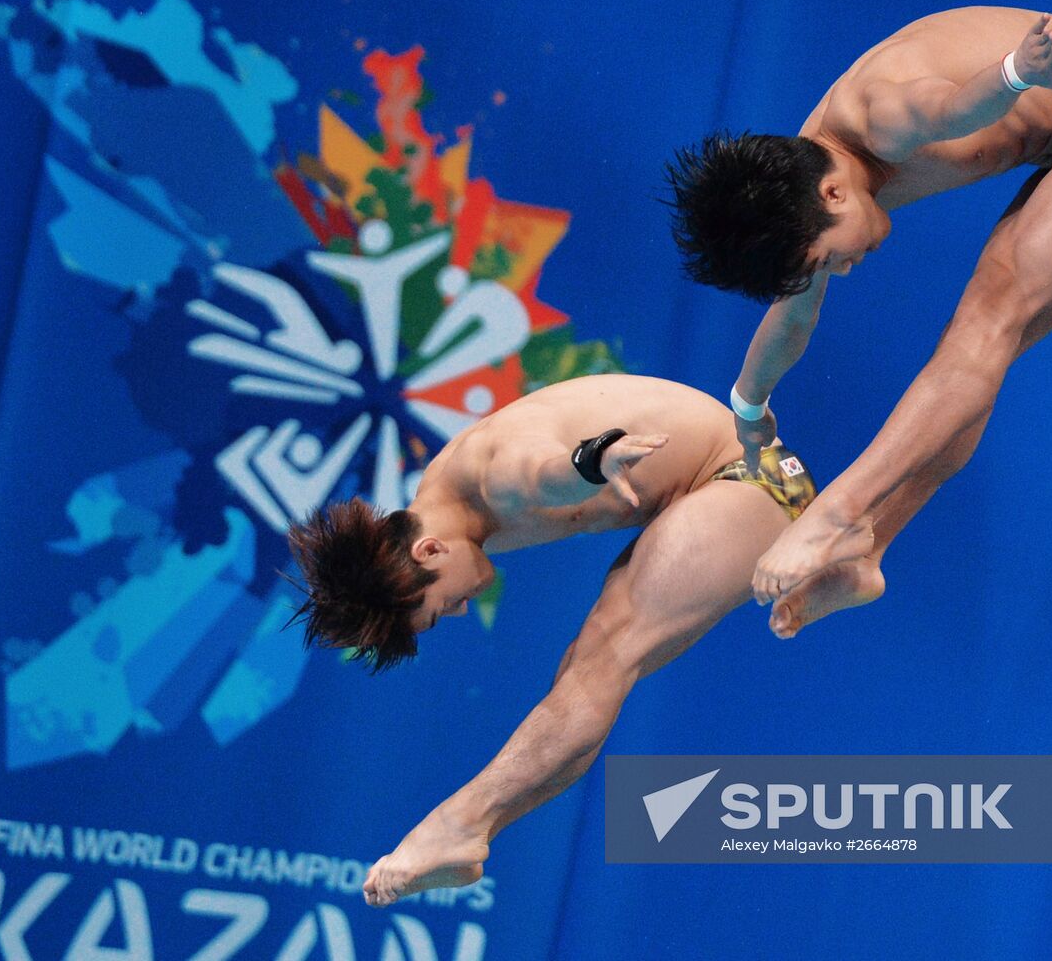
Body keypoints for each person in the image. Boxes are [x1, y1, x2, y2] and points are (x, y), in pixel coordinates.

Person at [665, 7, 1052, 638]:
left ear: (833, 197)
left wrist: (1015, 72)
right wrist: (749, 404)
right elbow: (791, 320)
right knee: (975, 365)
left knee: (985, 322)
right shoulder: (809, 182)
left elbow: (954, 110)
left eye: (826, 259)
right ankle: (869, 553)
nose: (840, 270)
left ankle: (839, 514)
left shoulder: (879, 118)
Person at [286, 374, 830, 906]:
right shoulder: (444, 510)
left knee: (605, 661)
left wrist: (593, 459)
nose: (461, 609)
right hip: (721, 485)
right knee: (584, 677)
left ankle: (459, 822)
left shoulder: (493, 476)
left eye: (440, 608)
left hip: (751, 476)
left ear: (429, 552)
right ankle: (472, 831)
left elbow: (542, 473)